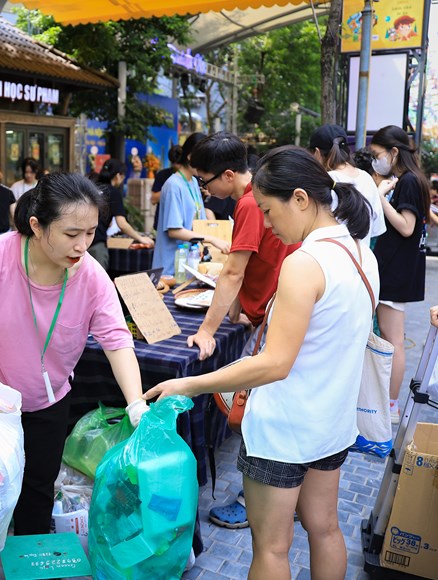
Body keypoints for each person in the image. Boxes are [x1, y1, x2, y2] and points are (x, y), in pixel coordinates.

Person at [146, 146, 378, 578]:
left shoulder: (304, 263)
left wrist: (190, 384)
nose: (267, 223)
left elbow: (275, 363)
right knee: (325, 528)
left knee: (271, 548)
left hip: (284, 427)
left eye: (269, 211)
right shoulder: (361, 254)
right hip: (331, 421)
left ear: (300, 199)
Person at [0, 173, 150, 579]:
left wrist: (136, 401)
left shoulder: (91, 276)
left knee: (36, 488)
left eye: (90, 232)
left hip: (47, 401)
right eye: (71, 233)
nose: (82, 245)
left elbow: (117, 340)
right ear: (36, 225)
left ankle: (28, 564)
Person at [186, 132, 299, 530]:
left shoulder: (250, 203)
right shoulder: (256, 199)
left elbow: (234, 270)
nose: (205, 189)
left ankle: (255, 501)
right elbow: (249, 264)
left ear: (229, 175)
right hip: (268, 311)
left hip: (272, 317)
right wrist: (235, 307)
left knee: (262, 413)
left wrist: (207, 330)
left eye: (205, 181)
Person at [370, 125, 431, 423]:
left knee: (393, 339)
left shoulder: (407, 181)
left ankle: (391, 405)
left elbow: (407, 227)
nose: (376, 159)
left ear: (394, 152)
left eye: (377, 153)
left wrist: (379, 196)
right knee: (393, 337)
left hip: (395, 270)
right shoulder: (413, 179)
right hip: (399, 268)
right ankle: (389, 403)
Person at [153, 133, 230, 275]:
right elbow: (174, 230)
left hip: (189, 265)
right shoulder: (173, 185)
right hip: (171, 268)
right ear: (190, 157)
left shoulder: (194, 182)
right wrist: (212, 239)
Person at [309, 124, 385, 245]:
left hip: (329, 254)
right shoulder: (366, 178)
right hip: (361, 255)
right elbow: (376, 229)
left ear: (317, 153)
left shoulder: (324, 181)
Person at [87, 158, 154, 270]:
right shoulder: (113, 192)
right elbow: (122, 224)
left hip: (81, 242)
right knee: (98, 279)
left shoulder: (92, 187)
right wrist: (141, 238)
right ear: (118, 176)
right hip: (96, 244)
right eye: (123, 177)